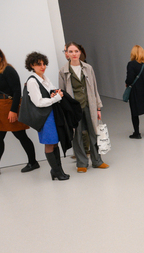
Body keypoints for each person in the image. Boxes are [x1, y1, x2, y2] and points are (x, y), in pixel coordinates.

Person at [0, 45, 39, 176]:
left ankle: (33, 162)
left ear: (0, 55)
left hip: (8, 106)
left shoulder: (8, 70)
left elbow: (17, 91)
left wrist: (13, 110)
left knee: (20, 135)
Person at [59, 42, 109, 173]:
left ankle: (97, 161)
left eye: (76, 51)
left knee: (93, 133)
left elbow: (95, 88)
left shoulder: (88, 68)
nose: (74, 54)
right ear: (67, 54)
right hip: (73, 109)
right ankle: (81, 163)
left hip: (89, 105)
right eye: (71, 51)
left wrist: (98, 107)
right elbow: (62, 93)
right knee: (77, 135)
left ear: (80, 52)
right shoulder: (63, 71)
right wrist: (66, 111)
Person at [22, 52, 70, 181]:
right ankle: (56, 171)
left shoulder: (44, 77)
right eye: (39, 64)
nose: (42, 67)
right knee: (50, 144)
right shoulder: (32, 81)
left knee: (54, 143)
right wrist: (56, 98)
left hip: (51, 114)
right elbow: (38, 102)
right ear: (32, 65)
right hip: (44, 117)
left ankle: (58, 170)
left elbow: (52, 90)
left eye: (44, 64)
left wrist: (56, 93)